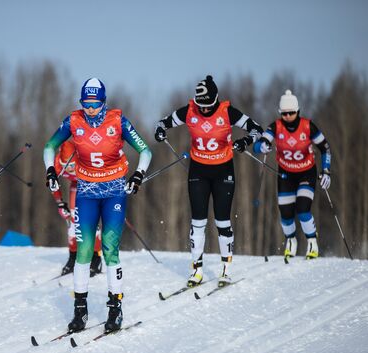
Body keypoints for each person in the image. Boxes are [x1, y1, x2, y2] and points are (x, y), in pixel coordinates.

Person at [43, 78, 152, 333]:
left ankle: (116, 308)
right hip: (86, 192)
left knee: (111, 249)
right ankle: (80, 310)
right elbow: (49, 146)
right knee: (84, 251)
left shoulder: (118, 121)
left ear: (103, 102)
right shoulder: (73, 121)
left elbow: (145, 151)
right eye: (86, 104)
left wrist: (138, 175)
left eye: (94, 104)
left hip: (114, 191)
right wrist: (50, 170)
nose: (90, 109)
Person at [154, 75, 263, 288]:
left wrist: (245, 141)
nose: (203, 110)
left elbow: (256, 129)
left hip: (223, 171)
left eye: (208, 106)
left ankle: (225, 268)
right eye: (201, 105)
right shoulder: (190, 110)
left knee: (222, 220)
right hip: (199, 170)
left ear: (215, 100)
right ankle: (197, 269)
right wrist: (160, 131)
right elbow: (163, 123)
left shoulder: (227, 112)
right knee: (198, 222)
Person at [254, 89, 331, 261]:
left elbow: (325, 148)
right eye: (284, 113)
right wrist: (263, 146)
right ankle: (291, 241)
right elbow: (259, 144)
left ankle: (312, 242)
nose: (288, 116)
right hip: (286, 175)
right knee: (286, 213)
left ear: (298, 111)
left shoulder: (308, 126)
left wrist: (326, 171)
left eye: (291, 112)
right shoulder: (276, 126)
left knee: (303, 209)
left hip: (306, 173)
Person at [52, 139, 103, 277]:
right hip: (76, 185)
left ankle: (96, 258)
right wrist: (60, 203)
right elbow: (53, 184)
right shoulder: (56, 163)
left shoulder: (86, 159)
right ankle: (73, 257)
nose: (69, 168)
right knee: (73, 222)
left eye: (72, 165)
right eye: (65, 165)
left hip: (93, 184)